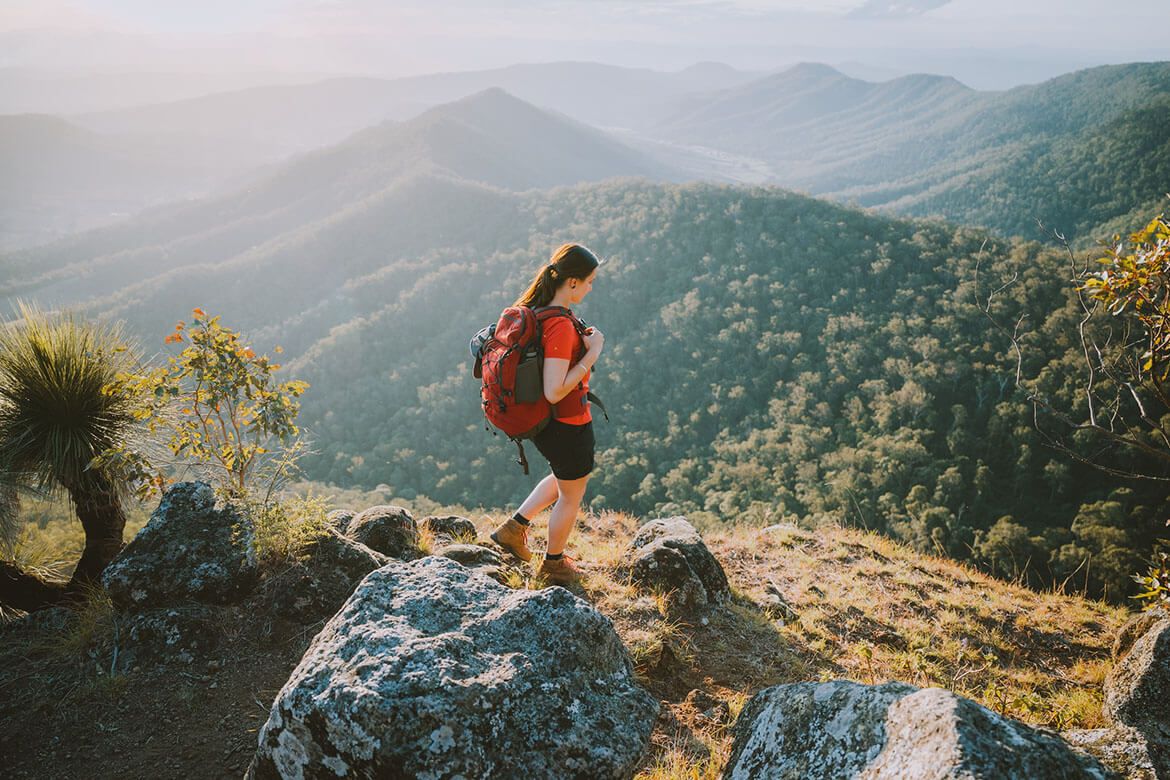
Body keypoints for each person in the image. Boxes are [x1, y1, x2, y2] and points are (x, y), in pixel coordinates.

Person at [490, 243, 604, 585]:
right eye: (588, 281)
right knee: (572, 495)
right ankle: (554, 563)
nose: (590, 287)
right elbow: (555, 389)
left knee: (564, 476)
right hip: (566, 424)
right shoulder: (560, 325)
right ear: (571, 282)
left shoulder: (536, 311)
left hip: (544, 422)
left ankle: (515, 527)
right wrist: (591, 355)